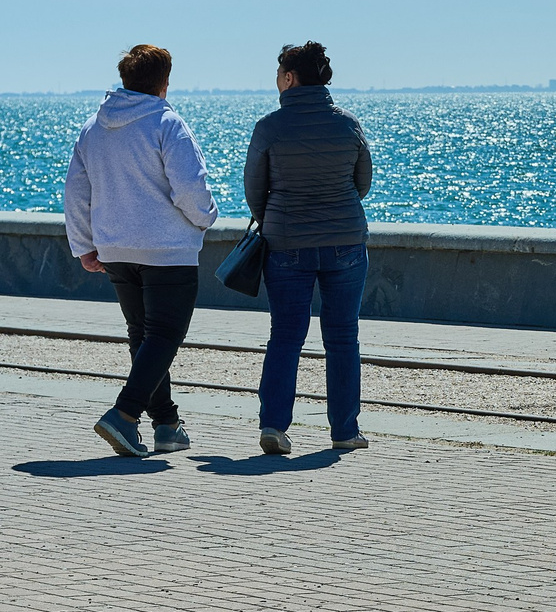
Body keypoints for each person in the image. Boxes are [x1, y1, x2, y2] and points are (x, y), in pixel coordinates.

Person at [64, 45, 218, 457]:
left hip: (115, 249)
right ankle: (124, 414)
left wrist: (84, 245)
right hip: (167, 250)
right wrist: (206, 217)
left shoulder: (93, 127)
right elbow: (190, 188)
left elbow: (76, 192)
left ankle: (166, 425)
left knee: (144, 337)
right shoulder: (167, 123)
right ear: (164, 82)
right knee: (164, 336)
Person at [247, 40, 374, 454]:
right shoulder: (347, 124)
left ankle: (274, 426)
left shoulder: (270, 127)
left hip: (286, 244)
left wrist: (277, 218)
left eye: (277, 75)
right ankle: (345, 431)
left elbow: (254, 191)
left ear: (289, 78)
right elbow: (362, 183)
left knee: (285, 337)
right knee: (343, 338)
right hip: (345, 243)